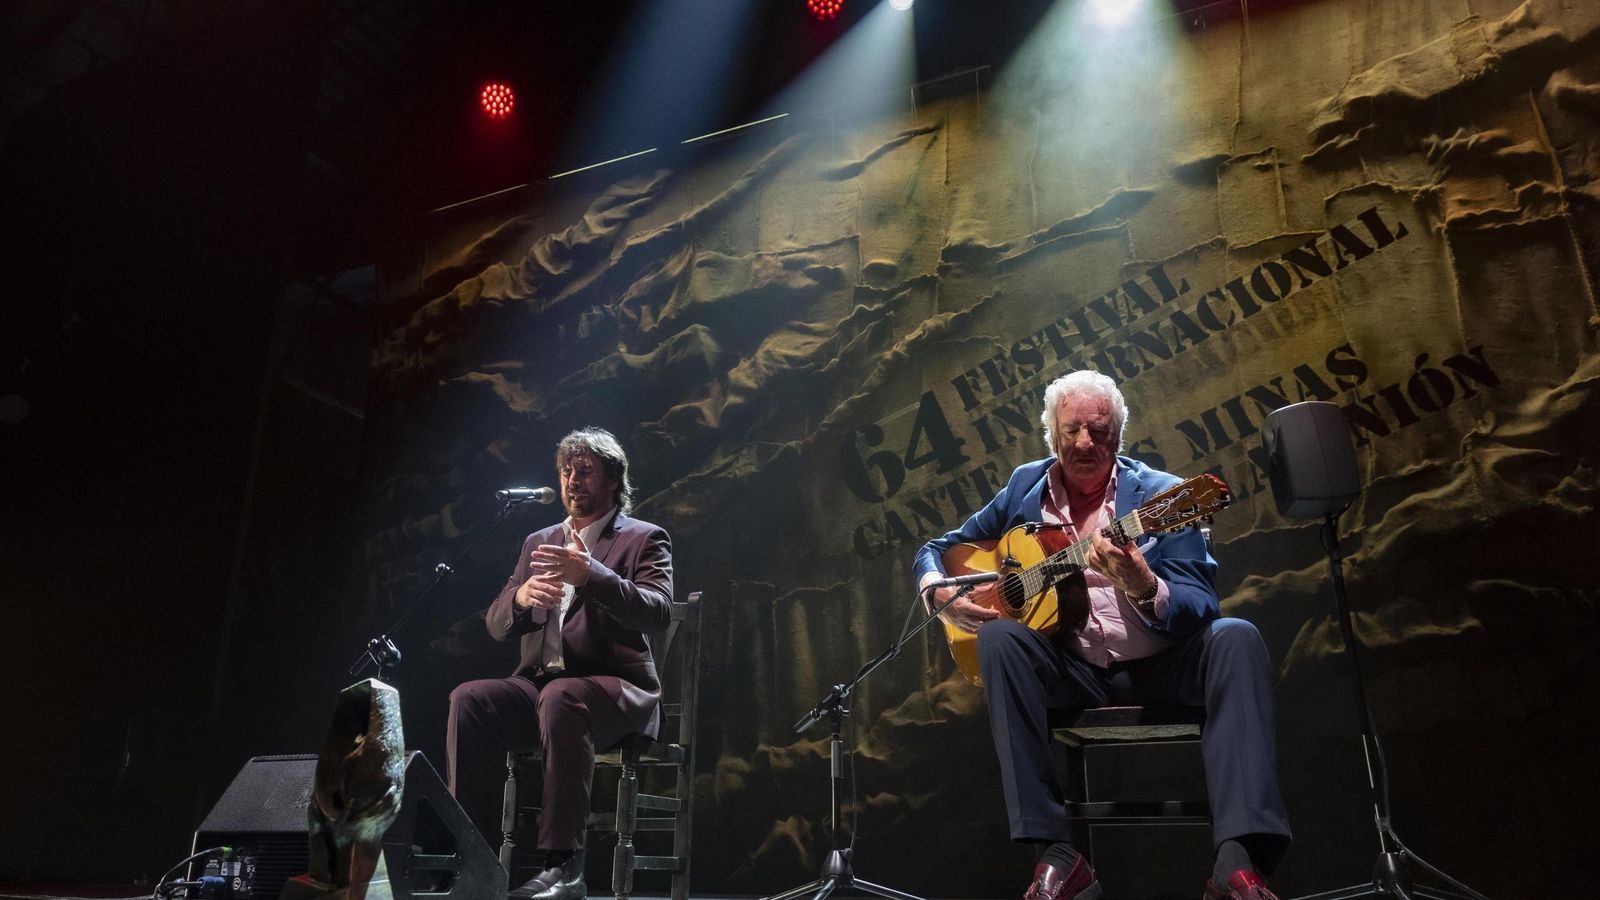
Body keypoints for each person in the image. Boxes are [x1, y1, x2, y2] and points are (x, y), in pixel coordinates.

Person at [913, 371, 1291, 900]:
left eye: (1099, 430)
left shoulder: (1164, 497)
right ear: (1052, 435)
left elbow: (1201, 603)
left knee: (1236, 636)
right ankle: (1059, 856)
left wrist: (1144, 584)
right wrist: (939, 593)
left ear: (1119, 434)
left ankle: (1237, 862)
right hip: (1074, 674)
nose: (1084, 443)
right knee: (1000, 641)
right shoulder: (1025, 487)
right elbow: (937, 549)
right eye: (1071, 431)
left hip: (1162, 665)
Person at [446, 427, 674, 900]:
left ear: (613, 477)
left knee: (562, 695)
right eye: (566, 471)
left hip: (615, 689)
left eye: (585, 471)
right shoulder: (539, 541)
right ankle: (471, 858)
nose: (573, 480)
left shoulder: (643, 539)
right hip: (541, 687)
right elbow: (496, 623)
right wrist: (522, 598)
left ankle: (563, 867)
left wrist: (594, 576)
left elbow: (658, 613)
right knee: (469, 700)